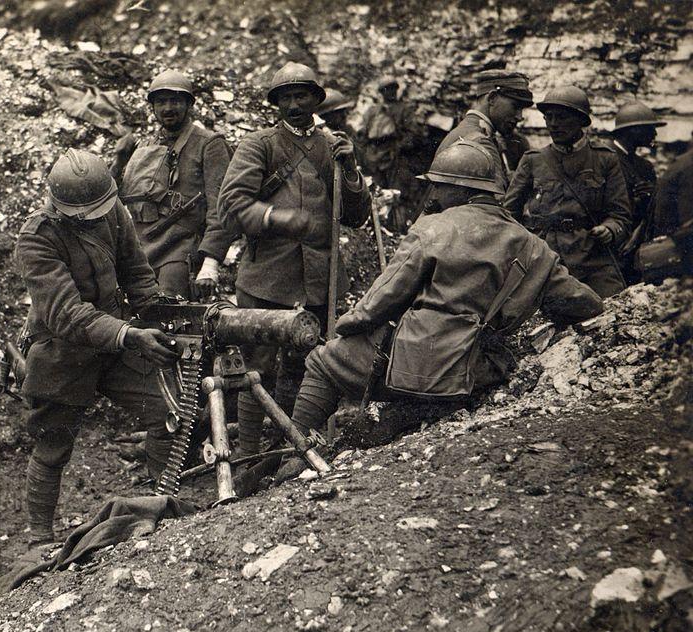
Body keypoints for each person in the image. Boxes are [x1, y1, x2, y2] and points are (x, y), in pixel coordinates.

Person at [288, 139, 604, 440]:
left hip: (418, 365)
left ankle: (295, 450)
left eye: (439, 184)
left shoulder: (432, 228)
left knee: (322, 362)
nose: (434, 192)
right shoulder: (535, 248)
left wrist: (346, 326)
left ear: (460, 188)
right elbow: (585, 302)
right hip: (477, 370)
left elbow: (378, 304)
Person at [15, 149, 176, 546]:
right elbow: (65, 314)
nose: (91, 219)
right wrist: (130, 334)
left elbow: (136, 273)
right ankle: (39, 536)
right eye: (80, 214)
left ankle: (160, 502)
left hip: (117, 342)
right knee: (53, 443)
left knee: (167, 413)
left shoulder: (113, 211)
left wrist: (161, 313)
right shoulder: (37, 239)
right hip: (62, 349)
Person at [218, 61, 372, 457]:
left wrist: (351, 170)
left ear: (316, 99)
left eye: (301, 95)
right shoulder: (260, 145)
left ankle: (302, 447)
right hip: (267, 277)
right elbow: (232, 205)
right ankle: (250, 455)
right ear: (275, 104)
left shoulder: (332, 146)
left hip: (320, 279)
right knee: (258, 369)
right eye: (285, 97)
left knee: (315, 363)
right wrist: (276, 217)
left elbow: (356, 216)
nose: (294, 104)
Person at [111, 70, 234, 300]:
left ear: (189, 105)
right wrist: (118, 162)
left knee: (171, 321)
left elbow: (222, 207)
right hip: (139, 252)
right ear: (153, 107)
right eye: (161, 101)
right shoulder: (145, 145)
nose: (168, 108)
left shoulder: (209, 144)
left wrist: (211, 262)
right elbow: (116, 201)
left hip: (181, 251)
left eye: (175, 100)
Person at [504, 85, 632, 297]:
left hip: (592, 260)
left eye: (562, 117)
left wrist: (609, 229)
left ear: (581, 121)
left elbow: (620, 215)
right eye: (549, 117)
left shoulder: (604, 159)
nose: (553, 124)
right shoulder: (533, 160)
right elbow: (509, 215)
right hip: (543, 260)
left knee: (613, 311)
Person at [436, 70, 534, 193]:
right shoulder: (481, 142)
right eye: (515, 106)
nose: (520, 117)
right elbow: (497, 203)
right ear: (492, 98)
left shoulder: (466, 131)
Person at [608, 102, 667, 281]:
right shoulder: (604, 158)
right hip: (610, 247)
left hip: (636, 248)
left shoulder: (645, 166)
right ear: (634, 130)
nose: (655, 134)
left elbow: (653, 209)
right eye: (650, 129)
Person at [357, 77, 424, 232]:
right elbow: (362, 134)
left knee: (398, 194)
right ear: (381, 92)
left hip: (396, 158)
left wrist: (399, 146)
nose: (391, 92)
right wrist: (368, 153)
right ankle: (377, 228)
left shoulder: (405, 109)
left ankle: (398, 229)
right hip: (374, 158)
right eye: (387, 89)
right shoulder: (373, 111)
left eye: (393, 88)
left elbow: (413, 135)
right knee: (376, 192)